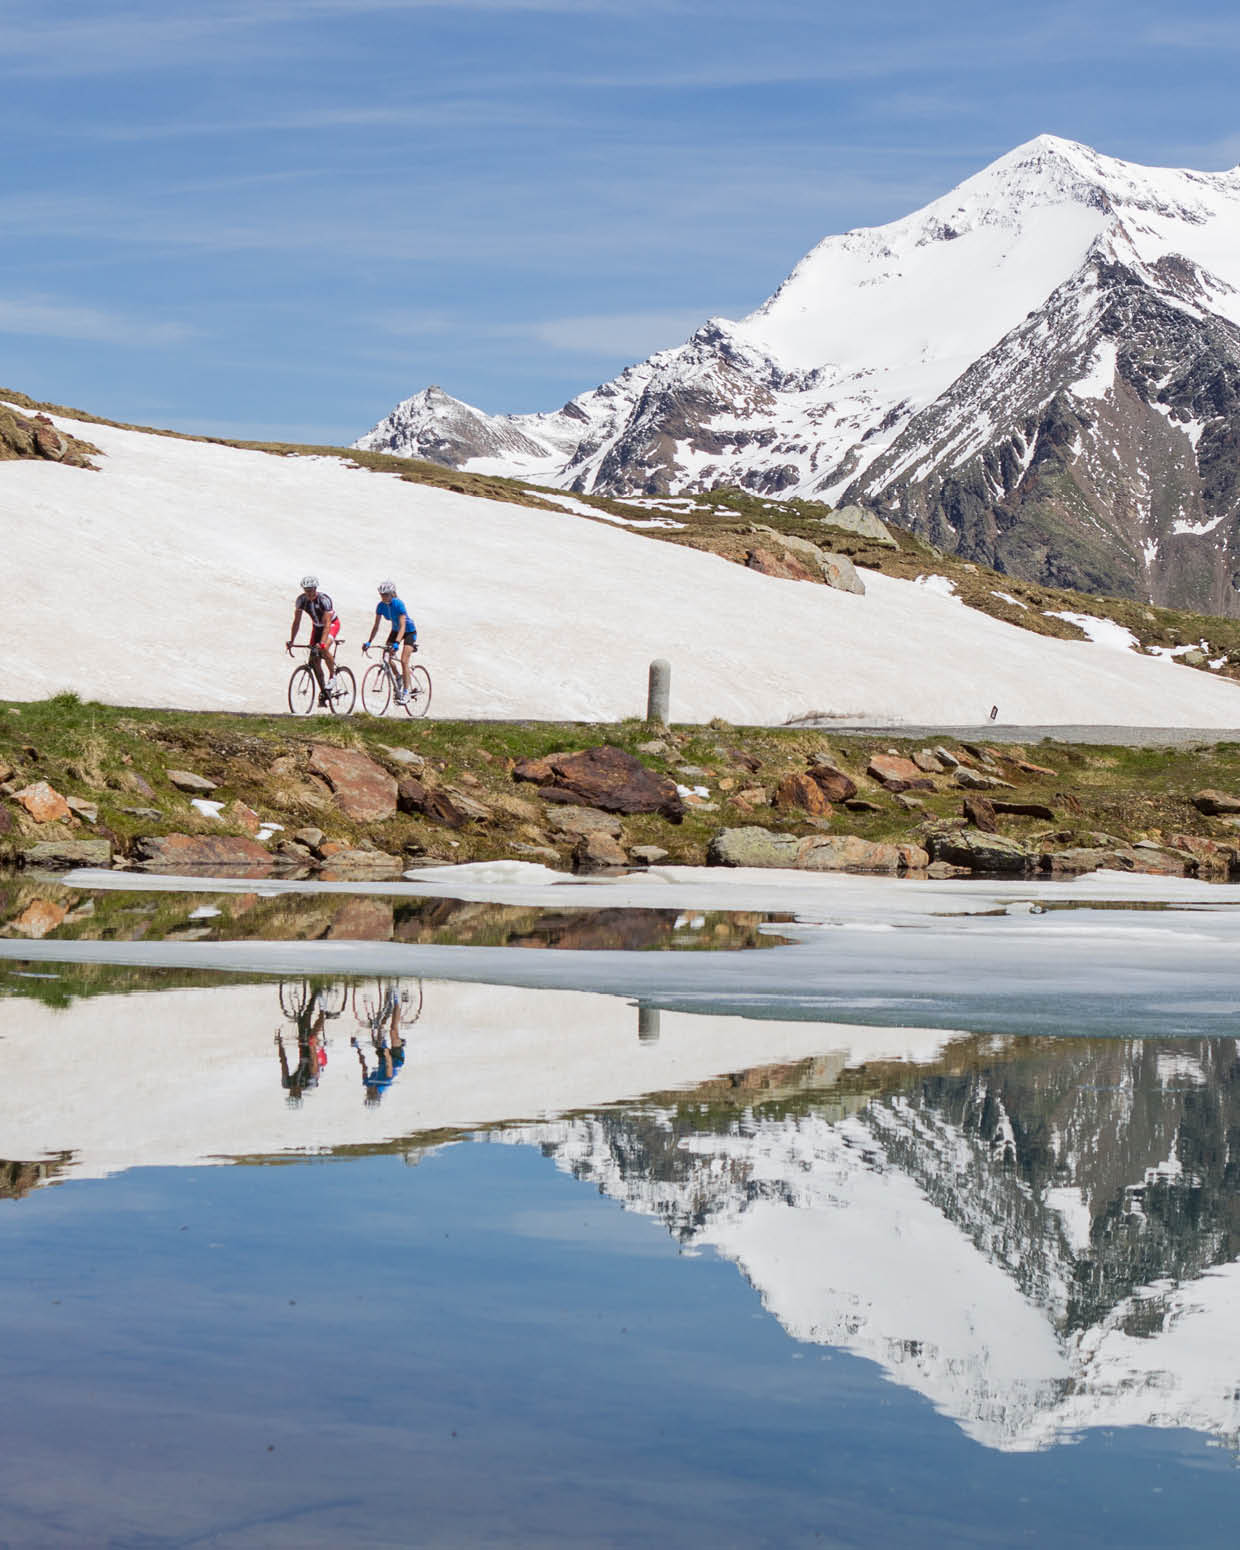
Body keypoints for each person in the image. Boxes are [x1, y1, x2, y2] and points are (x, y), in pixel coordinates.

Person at [287, 575, 341, 706]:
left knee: (323, 648)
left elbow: (327, 624)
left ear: (315, 589)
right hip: (317, 628)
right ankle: (324, 693)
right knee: (314, 660)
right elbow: (297, 622)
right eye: (306, 590)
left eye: (311, 590)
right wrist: (292, 640)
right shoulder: (301, 600)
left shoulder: (324, 600)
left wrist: (322, 643)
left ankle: (333, 676)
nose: (309, 593)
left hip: (332, 625)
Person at [362, 581, 417, 703]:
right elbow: (376, 626)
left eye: (386, 594)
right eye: (381, 595)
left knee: (404, 661)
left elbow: (403, 626)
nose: (383, 597)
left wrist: (397, 643)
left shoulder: (398, 604)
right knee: (386, 656)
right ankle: (398, 677)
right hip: (395, 631)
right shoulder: (380, 606)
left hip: (408, 631)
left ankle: (406, 693)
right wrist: (369, 641)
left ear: (392, 594)